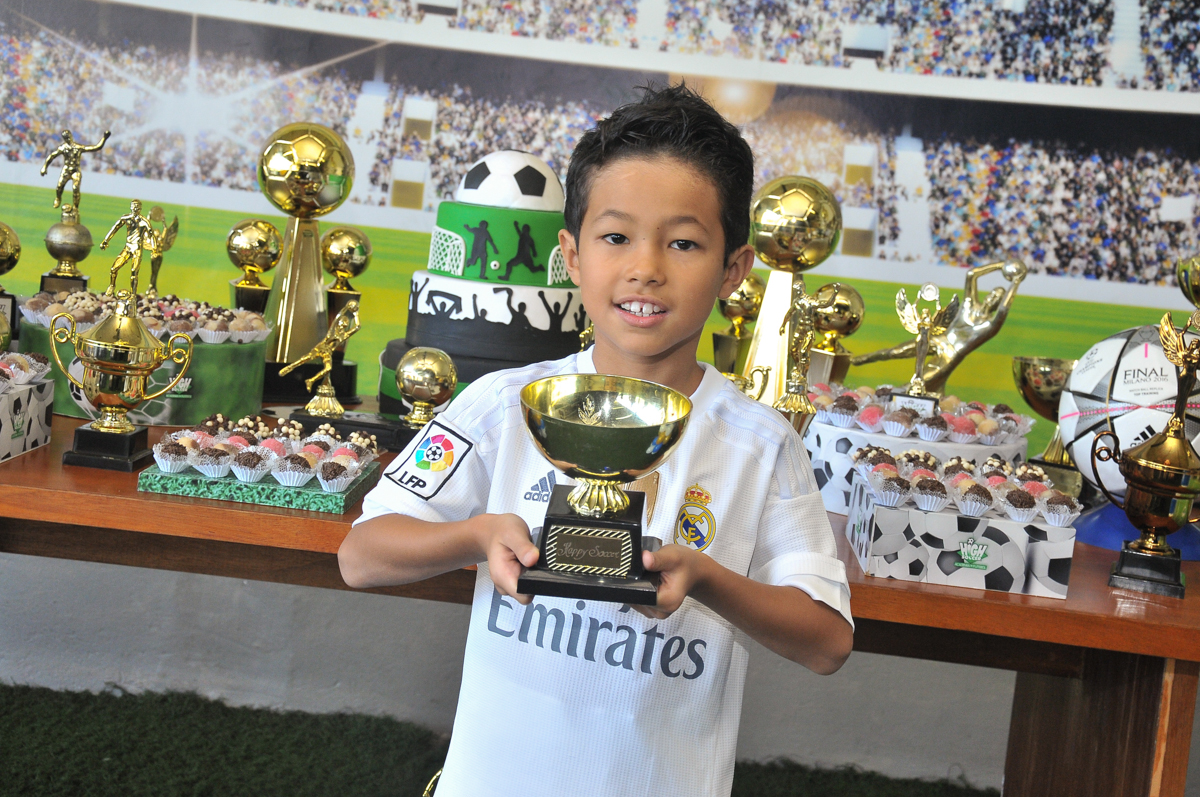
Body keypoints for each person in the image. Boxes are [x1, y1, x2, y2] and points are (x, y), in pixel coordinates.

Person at [339, 84, 853, 797]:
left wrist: (704, 579)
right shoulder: (499, 404)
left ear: (734, 269)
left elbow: (827, 640)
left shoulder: (761, 445)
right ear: (573, 256)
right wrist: (477, 535)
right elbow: (361, 556)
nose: (646, 267)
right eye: (616, 237)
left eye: (683, 242)